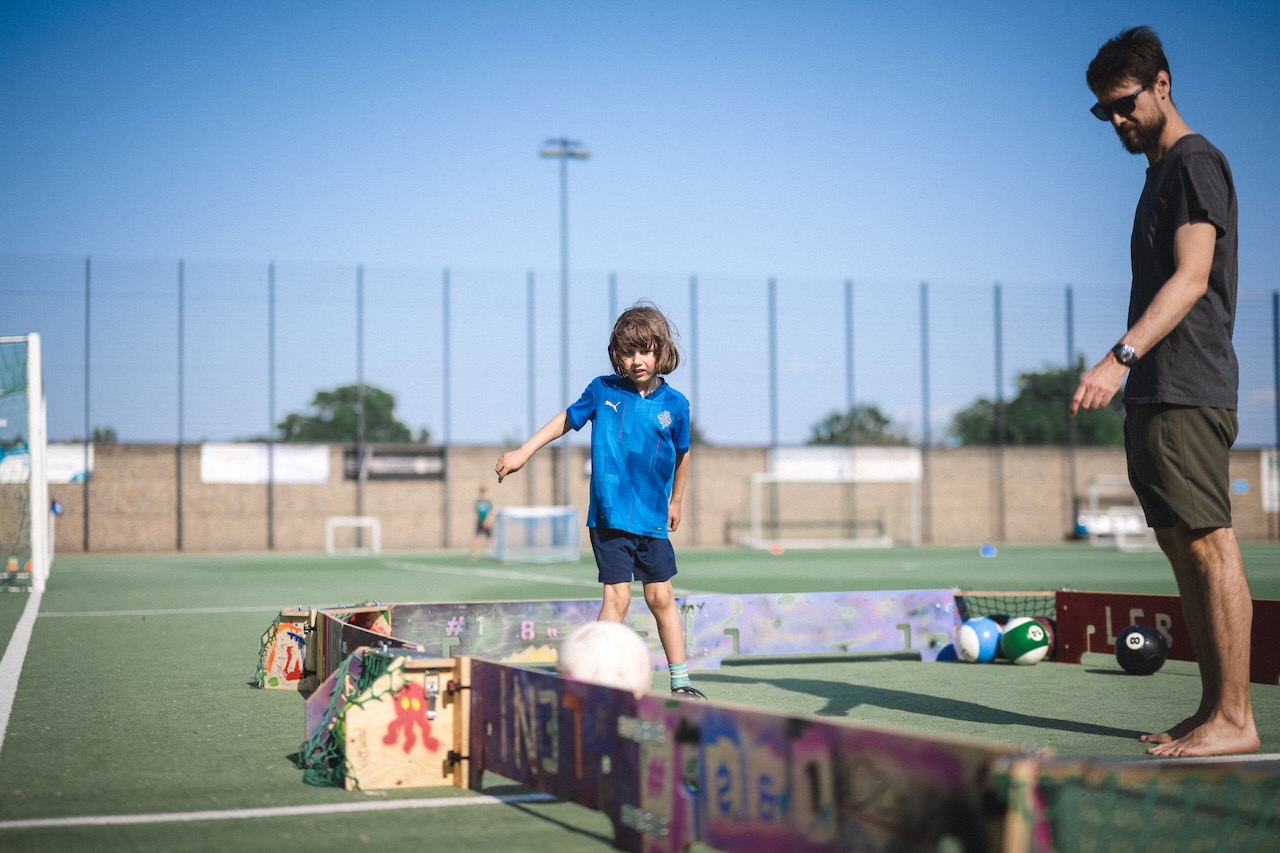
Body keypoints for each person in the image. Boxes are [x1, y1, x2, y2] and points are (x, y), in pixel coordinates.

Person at [1071, 26, 1257, 757]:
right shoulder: (1158, 175)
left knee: (1210, 546)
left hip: (1187, 384)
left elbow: (1192, 276)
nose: (1117, 120)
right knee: (1182, 551)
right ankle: (1213, 710)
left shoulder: (1194, 161)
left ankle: (1236, 718)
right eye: (1105, 111)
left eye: (1125, 104)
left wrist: (1119, 357)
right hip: (1155, 389)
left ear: (1162, 85)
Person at [495, 301, 705, 698]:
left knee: (661, 596)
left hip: (652, 518)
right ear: (616, 355)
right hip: (609, 518)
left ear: (662, 351)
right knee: (618, 598)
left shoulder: (676, 405)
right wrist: (524, 451)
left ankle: (681, 683)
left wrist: (676, 501)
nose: (637, 360)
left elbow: (683, 454)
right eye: (628, 352)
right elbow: (565, 419)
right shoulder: (602, 390)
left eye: (645, 350)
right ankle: (596, 685)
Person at [470, 486, 494, 559]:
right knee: (475, 537)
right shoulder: (478, 502)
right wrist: (474, 522)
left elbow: (490, 513)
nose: (483, 495)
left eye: (484, 493)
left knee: (490, 537)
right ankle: (474, 552)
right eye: (482, 493)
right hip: (479, 522)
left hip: (486, 523)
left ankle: (491, 551)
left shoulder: (488, 503)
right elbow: (475, 512)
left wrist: (488, 522)